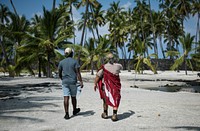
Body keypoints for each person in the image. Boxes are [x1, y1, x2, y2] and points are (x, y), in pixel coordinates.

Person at [94, 53, 123, 121]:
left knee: (105, 100)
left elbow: (98, 77)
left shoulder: (104, 67)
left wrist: (95, 84)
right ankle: (114, 115)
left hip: (106, 87)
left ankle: (105, 114)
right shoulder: (118, 66)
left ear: (107, 59)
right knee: (115, 99)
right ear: (114, 59)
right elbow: (121, 67)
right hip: (115, 87)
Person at [58, 47, 83, 120]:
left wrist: (62, 78)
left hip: (65, 81)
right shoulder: (75, 62)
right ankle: (74, 110)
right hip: (73, 81)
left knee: (66, 97)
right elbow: (78, 73)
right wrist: (81, 81)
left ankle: (66, 114)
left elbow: (59, 72)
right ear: (72, 53)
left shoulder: (61, 62)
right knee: (73, 97)